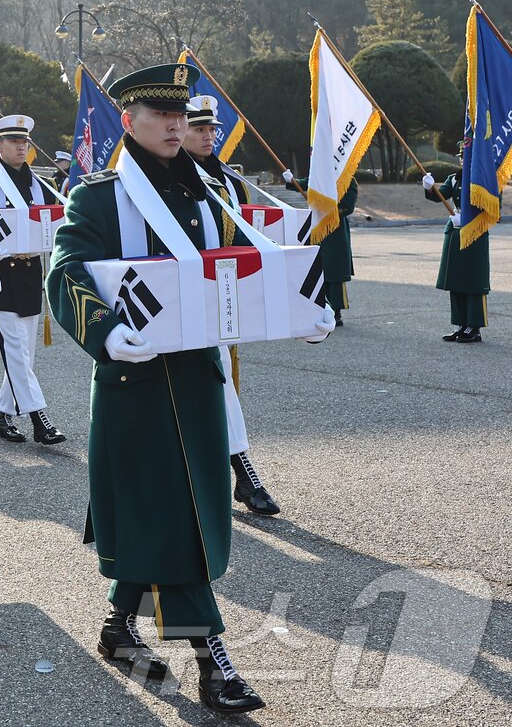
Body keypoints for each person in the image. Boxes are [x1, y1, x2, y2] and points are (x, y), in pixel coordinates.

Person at [47, 63, 334, 713]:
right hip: (136, 384)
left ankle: (119, 629)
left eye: (181, 114)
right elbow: (63, 271)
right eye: (161, 114)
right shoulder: (98, 197)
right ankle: (213, 663)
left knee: (175, 516)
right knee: (173, 519)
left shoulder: (208, 191)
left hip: (198, 383)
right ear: (129, 121)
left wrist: (304, 310)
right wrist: (106, 331)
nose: (176, 125)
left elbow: (245, 269)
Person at [182, 99, 280, 516]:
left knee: (219, 382)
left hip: (220, 296)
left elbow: (242, 238)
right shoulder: (166, 180)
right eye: (199, 129)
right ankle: (233, 473)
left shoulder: (228, 182)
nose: (208, 136)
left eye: (211, 130)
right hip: (178, 298)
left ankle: (239, 472)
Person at [0, 113, 65, 446]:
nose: (21, 147)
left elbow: (56, 222)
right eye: (14, 142)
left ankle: (4, 418)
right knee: (16, 350)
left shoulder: (41, 185)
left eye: (24, 142)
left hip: (31, 274)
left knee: (23, 355)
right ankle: (39, 418)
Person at [423, 141, 490, 342]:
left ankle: (474, 327)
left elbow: (491, 207)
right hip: (455, 232)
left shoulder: (485, 178)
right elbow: (441, 196)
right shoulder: (455, 178)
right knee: (456, 280)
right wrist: (430, 187)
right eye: (461, 156)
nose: (462, 159)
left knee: (473, 281)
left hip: (474, 233)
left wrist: (468, 218)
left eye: (466, 155)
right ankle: (461, 324)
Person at [284, 167, 357, 325]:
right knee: (318, 270)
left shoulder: (348, 179)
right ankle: (318, 308)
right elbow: (306, 183)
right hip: (317, 229)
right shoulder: (320, 176)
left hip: (335, 230)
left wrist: (328, 211)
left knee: (335, 274)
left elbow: (348, 205)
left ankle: (336, 311)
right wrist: (292, 180)